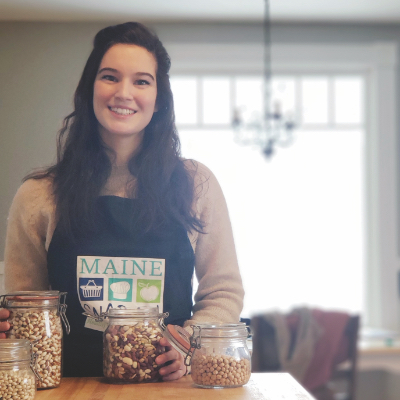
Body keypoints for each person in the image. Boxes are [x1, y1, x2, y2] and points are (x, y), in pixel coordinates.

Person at [1, 22, 244, 380]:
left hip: (168, 389)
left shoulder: (196, 184)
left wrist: (188, 344)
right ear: (89, 90)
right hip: (70, 388)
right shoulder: (39, 194)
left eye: (142, 81)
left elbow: (223, 290)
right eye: (110, 77)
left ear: (160, 99)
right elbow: (26, 309)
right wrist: (9, 327)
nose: (124, 93)